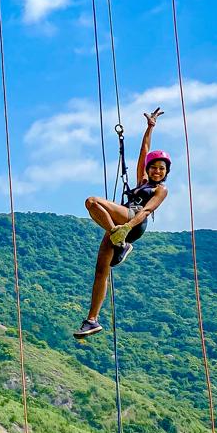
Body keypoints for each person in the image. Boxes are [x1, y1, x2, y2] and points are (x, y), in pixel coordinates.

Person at [74, 107, 170, 339]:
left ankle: (122, 241)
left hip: (133, 221)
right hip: (121, 224)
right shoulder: (142, 181)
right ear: (148, 169)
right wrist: (150, 127)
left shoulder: (160, 189)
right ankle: (92, 320)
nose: (157, 171)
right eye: (154, 167)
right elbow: (144, 151)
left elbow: (147, 211)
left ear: (166, 172)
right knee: (101, 271)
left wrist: (125, 228)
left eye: (162, 168)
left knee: (92, 201)